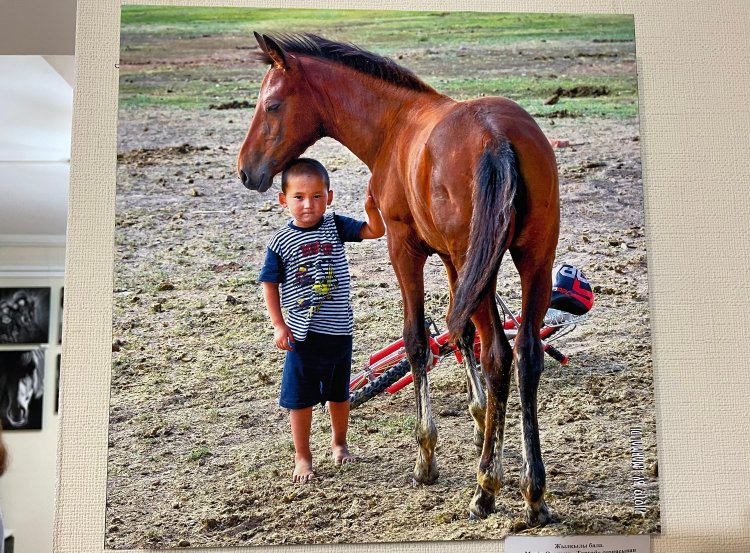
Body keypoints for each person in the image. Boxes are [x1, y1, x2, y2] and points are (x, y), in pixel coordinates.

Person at [259, 158, 385, 483]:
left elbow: (374, 231)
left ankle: (339, 444)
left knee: (339, 395)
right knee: (300, 400)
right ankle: (302, 457)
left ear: (329, 197)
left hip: (340, 333)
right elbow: (269, 284)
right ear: (283, 200)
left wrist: (372, 208)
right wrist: (278, 324)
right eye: (299, 197)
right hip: (302, 337)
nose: (308, 205)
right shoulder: (279, 243)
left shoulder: (334, 225)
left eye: (317, 196)